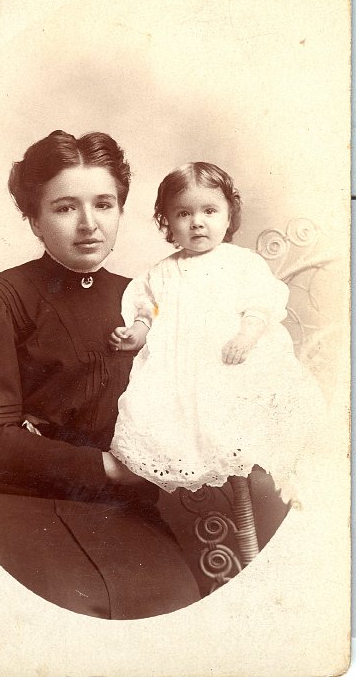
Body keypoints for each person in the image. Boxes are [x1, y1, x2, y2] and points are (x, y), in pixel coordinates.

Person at [0, 130, 201, 620]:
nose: (89, 225)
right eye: (64, 208)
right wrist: (110, 468)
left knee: (172, 611)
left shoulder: (147, 300)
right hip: (5, 502)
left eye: (104, 204)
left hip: (121, 513)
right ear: (34, 220)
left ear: (121, 209)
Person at [109, 161, 324, 503]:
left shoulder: (242, 262)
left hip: (230, 362)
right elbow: (148, 313)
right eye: (182, 213)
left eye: (209, 210)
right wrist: (135, 333)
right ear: (167, 222)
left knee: (242, 421)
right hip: (181, 372)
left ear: (228, 215)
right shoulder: (161, 273)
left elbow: (260, 305)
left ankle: (280, 483)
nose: (196, 221)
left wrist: (246, 336)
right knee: (174, 423)